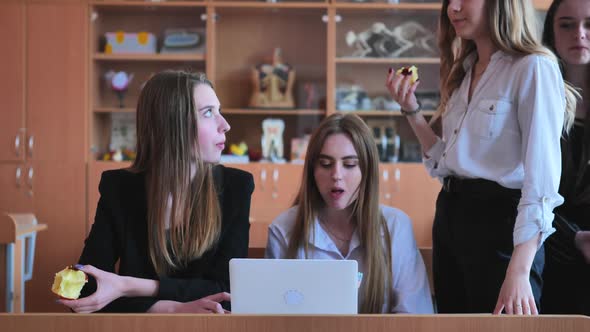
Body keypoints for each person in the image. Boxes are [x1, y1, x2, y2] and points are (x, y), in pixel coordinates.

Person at [385, 0, 579, 315]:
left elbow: (541, 183)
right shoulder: (465, 71)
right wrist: (411, 110)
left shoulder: (533, 67)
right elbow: (447, 162)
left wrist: (519, 269)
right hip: (451, 218)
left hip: (502, 229)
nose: (453, 8)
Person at [58, 71, 255, 313]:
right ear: (172, 124)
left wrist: (126, 286)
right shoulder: (119, 187)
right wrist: (172, 308)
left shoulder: (236, 186)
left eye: (219, 111)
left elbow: (227, 292)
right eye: (208, 113)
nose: (225, 125)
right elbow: (84, 290)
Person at [265, 113, 433, 314]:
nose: (336, 175)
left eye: (350, 164)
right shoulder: (283, 229)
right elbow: (273, 318)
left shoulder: (396, 226)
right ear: (312, 171)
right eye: (326, 164)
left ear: (367, 170)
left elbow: (414, 319)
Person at [541, 0, 590, 315]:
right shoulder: (537, 96)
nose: (580, 35)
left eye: (589, 24)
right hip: (550, 245)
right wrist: (575, 238)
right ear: (551, 33)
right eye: (567, 24)